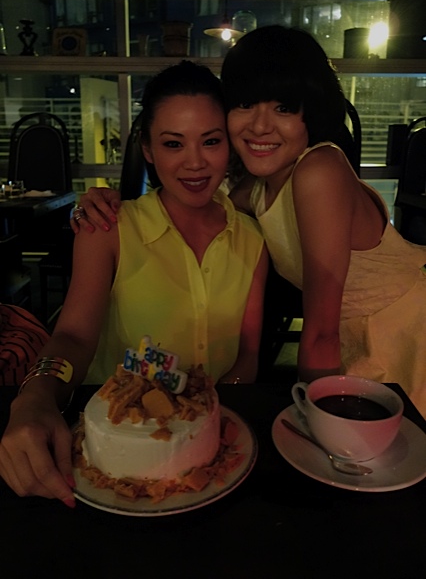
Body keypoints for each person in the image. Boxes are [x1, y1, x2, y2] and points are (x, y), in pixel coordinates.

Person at [74, 25, 426, 418]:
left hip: (401, 336)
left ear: (311, 113)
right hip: (348, 341)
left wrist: (314, 426)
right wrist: (101, 203)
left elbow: (320, 332)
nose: (260, 126)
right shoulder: (256, 189)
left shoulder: (319, 171)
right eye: (245, 104)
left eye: (284, 108)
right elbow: (198, 201)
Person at [0, 61, 268, 505]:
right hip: (115, 455)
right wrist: (36, 395)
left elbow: (249, 354)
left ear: (230, 146)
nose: (195, 162)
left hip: (212, 461)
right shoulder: (108, 228)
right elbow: (73, 336)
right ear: (147, 148)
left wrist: (204, 424)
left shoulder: (252, 240)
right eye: (173, 143)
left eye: (211, 141)